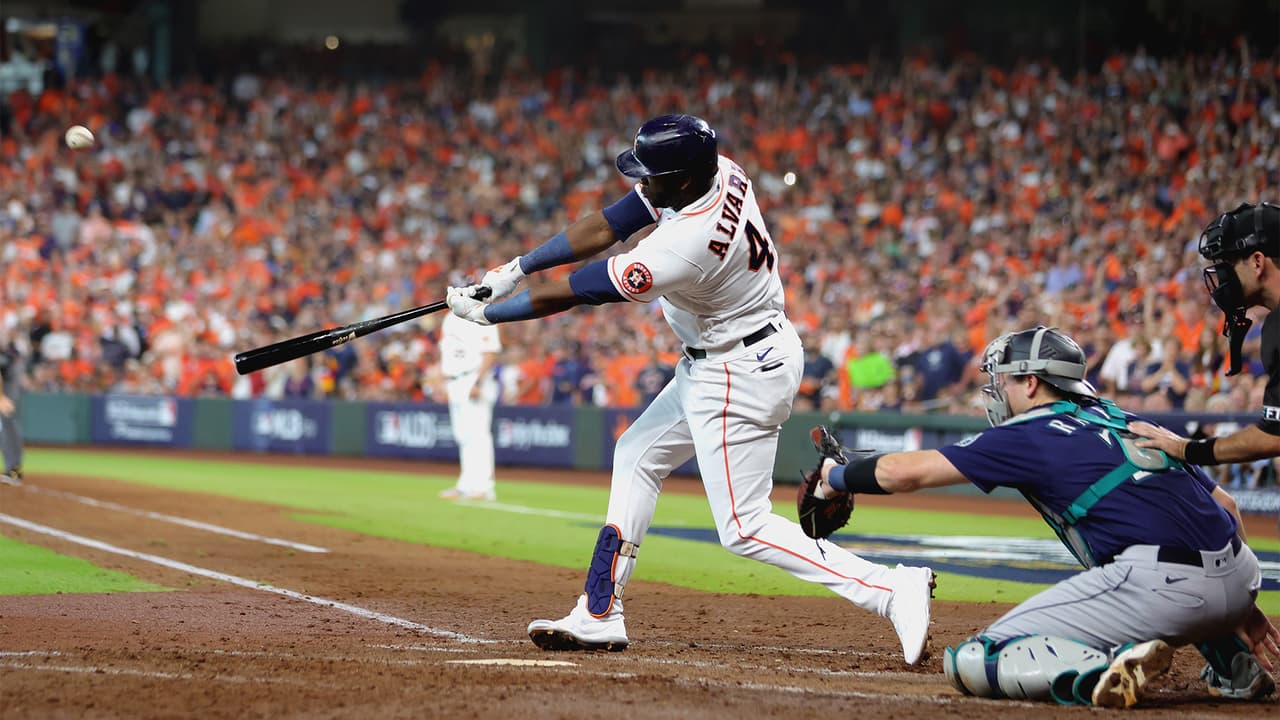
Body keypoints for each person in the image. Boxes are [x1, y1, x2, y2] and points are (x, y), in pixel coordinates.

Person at [445, 113, 935, 664]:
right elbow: (612, 221)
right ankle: (600, 611)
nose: (641, 182)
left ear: (680, 180)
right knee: (636, 454)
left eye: (652, 175)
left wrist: (490, 315)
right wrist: (515, 266)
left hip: (737, 371)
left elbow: (575, 291)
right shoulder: (720, 170)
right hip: (729, 356)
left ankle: (891, 589)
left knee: (743, 527)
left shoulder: (682, 247)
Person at [806, 326, 1278, 708]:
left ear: (1030, 383)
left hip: (1165, 588)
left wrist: (836, 477)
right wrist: (1238, 603)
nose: (997, 390)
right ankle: (1238, 669)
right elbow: (1227, 507)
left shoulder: (1028, 431)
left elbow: (906, 473)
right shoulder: (1118, 415)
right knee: (1177, 572)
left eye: (1004, 379)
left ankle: (1101, 669)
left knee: (974, 658)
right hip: (1239, 574)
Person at [436, 310, 502, 502]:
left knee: (478, 435)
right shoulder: (450, 317)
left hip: (473, 377)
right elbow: (446, 351)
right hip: (454, 380)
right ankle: (466, 484)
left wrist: (478, 382)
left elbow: (490, 351)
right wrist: (442, 380)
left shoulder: (483, 313)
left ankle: (484, 487)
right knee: (463, 435)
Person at [0, 331, 25, 484]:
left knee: (8, 426)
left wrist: (2, 397)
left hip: (8, 389)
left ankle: (14, 470)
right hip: (8, 387)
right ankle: (14, 469)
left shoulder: (6, 357)